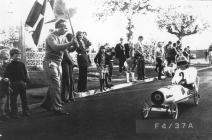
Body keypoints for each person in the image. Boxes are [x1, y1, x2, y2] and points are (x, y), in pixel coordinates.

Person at [41, 19, 78, 115]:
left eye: (66, 27)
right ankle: (57, 108)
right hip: (50, 62)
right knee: (56, 84)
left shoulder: (64, 37)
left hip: (58, 63)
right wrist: (70, 43)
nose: (65, 29)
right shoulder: (50, 37)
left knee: (56, 84)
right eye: (63, 27)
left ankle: (46, 103)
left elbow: (67, 49)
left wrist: (75, 45)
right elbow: (56, 47)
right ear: (57, 27)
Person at [4, 48, 30, 118]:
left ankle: (26, 112)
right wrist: (8, 83)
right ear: (11, 56)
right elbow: (7, 75)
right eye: (16, 55)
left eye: (19, 55)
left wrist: (26, 81)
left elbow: (25, 73)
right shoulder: (9, 65)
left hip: (22, 83)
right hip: (13, 83)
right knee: (13, 99)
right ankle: (14, 113)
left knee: (24, 98)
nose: (18, 57)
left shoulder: (22, 64)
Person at [61, 33, 76, 103]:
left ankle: (70, 96)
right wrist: (72, 62)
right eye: (71, 38)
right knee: (67, 80)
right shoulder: (63, 41)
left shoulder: (67, 42)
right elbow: (65, 53)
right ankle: (65, 97)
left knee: (71, 80)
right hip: (64, 62)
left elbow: (71, 49)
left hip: (69, 62)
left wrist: (76, 45)